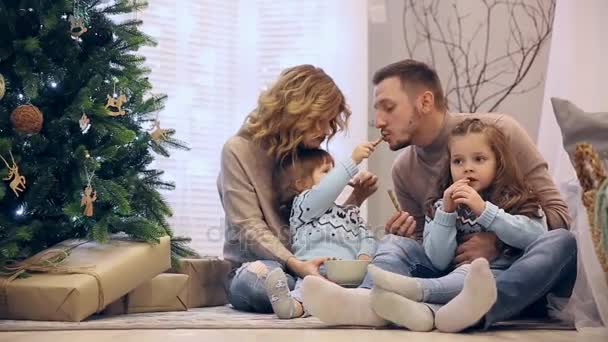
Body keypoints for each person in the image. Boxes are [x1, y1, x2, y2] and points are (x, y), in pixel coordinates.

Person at [301, 59, 577, 331]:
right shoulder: (404, 169)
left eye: (389, 107)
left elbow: (558, 216)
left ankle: (472, 310)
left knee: (562, 242)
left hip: (508, 272)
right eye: (457, 161)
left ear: (424, 102)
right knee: (395, 243)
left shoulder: (501, 132)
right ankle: (364, 302)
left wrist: (499, 243)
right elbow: (432, 252)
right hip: (451, 271)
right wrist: (412, 234)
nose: (379, 121)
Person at [217, 64, 378, 313]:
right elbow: (250, 226)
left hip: (304, 270)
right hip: (263, 266)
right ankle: (315, 297)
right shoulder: (237, 151)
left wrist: (354, 200)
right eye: (320, 120)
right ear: (294, 110)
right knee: (255, 282)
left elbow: (312, 219)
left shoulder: (302, 151)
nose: (326, 131)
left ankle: (309, 298)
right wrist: (295, 264)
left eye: (331, 121)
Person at [366, 118, 549, 332]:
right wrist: (447, 213)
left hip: (493, 277)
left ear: (499, 162)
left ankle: (417, 293)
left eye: (479, 159)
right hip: (445, 275)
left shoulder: (518, 198)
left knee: (473, 272)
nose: (467, 169)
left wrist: (484, 211)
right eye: (458, 161)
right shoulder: (441, 205)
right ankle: (364, 297)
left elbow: (538, 237)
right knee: (392, 242)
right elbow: (438, 260)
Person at [265, 142, 379, 319]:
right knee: (306, 292)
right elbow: (324, 192)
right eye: (326, 171)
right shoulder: (303, 206)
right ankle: (291, 306)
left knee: (369, 290)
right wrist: (352, 161)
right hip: (315, 272)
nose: (333, 176)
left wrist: (364, 255)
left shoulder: (347, 212)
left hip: (350, 276)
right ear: (301, 184)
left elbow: (366, 234)